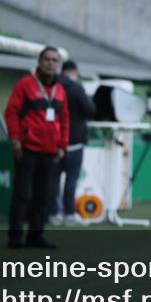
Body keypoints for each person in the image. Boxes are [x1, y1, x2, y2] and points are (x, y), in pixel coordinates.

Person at [4, 46, 69, 249]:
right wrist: (15, 139)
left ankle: (35, 236)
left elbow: (65, 120)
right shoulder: (25, 84)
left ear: (58, 65)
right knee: (22, 194)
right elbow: (11, 112)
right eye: (47, 59)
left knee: (42, 196)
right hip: (26, 149)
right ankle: (15, 237)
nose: (51, 63)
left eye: (54, 60)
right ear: (40, 62)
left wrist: (62, 146)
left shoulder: (60, 91)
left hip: (49, 151)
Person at [48, 60, 96, 226]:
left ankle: (54, 213)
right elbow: (90, 109)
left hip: (53, 141)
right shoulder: (76, 88)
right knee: (71, 179)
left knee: (53, 180)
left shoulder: (52, 87)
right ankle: (69, 214)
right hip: (73, 141)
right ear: (74, 72)